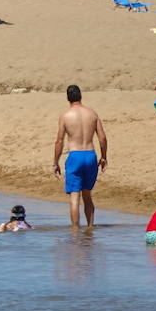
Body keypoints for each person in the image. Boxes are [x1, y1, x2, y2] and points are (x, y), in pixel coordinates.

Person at [52, 84, 108, 227]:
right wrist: (103, 157)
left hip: (75, 156)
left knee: (74, 197)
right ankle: (90, 228)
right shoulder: (92, 114)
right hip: (90, 155)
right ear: (80, 96)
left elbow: (59, 141)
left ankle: (75, 231)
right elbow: (102, 138)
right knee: (87, 196)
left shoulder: (65, 116)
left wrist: (55, 162)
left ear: (67, 98)